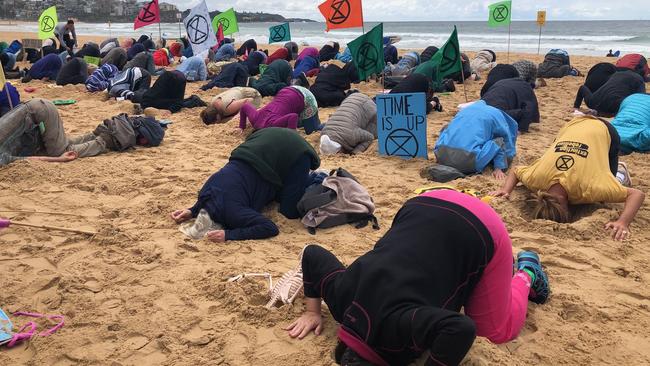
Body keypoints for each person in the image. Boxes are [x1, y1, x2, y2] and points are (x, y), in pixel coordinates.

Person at [287, 189, 550, 366]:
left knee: (495, 331)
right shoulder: (341, 298)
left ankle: (527, 272)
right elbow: (312, 254)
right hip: (424, 201)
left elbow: (461, 329)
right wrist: (314, 310)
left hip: (483, 227)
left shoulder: (400, 327)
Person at [492, 115, 645, 241]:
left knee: (605, 194)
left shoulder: (589, 188)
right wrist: (506, 190)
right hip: (571, 126)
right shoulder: (537, 179)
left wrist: (623, 223)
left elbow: (637, 194)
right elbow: (516, 171)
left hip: (605, 130)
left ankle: (620, 174)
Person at [170, 128, 320, 242]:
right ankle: (293, 179)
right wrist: (191, 211)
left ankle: (316, 178)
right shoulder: (205, 191)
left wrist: (229, 235)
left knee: (290, 212)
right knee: (275, 193)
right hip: (261, 140)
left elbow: (270, 228)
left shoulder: (232, 211)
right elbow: (203, 202)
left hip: (296, 151)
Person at [0, 99, 165, 166]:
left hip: (39, 113)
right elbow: (19, 158)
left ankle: (105, 140)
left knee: (61, 152)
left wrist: (58, 159)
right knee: (62, 146)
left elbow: (19, 161)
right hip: (37, 111)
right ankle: (100, 135)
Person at [434, 100, 518, 180]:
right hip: (471, 162)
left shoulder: (465, 110)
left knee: (448, 129)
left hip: (441, 155)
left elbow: (445, 130)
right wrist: (500, 167)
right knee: (498, 141)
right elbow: (504, 139)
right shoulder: (496, 113)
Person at [573, 70, 646, 116]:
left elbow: (582, 88)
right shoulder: (639, 79)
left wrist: (576, 106)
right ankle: (604, 112)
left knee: (583, 88)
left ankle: (576, 108)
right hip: (616, 106)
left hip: (595, 103)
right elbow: (641, 98)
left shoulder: (616, 74)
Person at [238, 86, 307, 132]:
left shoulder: (273, 125)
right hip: (284, 90)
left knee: (300, 122)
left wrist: (291, 136)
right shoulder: (255, 119)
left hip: (299, 97)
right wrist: (241, 127)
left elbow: (293, 116)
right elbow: (245, 106)